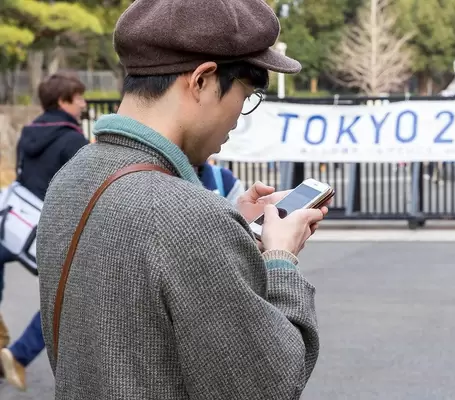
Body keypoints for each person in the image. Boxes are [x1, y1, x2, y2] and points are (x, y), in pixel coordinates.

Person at [36, 1, 327, 399]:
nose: (238, 118)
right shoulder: (188, 218)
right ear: (203, 80)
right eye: (245, 97)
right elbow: (269, 384)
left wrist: (230, 230)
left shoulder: (72, 176)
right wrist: (281, 259)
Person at [0, 72, 88, 390]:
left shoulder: (28, 131)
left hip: (12, 222)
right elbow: (79, 191)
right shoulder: (73, 140)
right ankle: (18, 354)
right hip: (45, 230)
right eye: (78, 97)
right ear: (63, 101)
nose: (84, 103)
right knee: (63, 298)